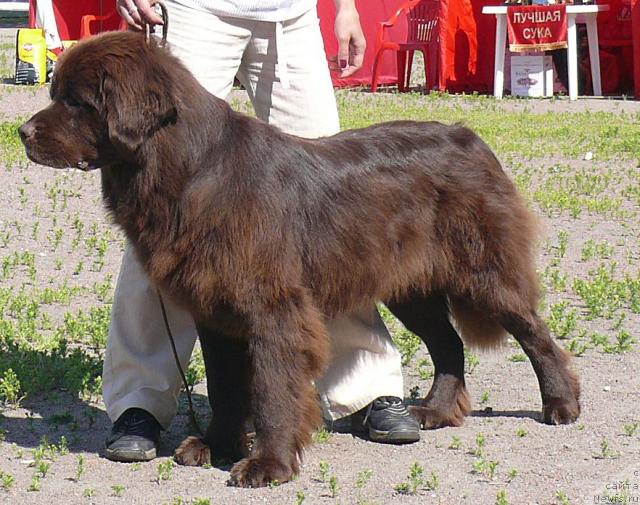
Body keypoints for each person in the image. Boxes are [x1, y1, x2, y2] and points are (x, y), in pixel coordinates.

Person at [105, 0, 420, 463]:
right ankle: (140, 400)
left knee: (334, 211)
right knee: (161, 210)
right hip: (194, 10)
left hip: (290, 14)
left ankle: (364, 386)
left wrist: (346, 8)